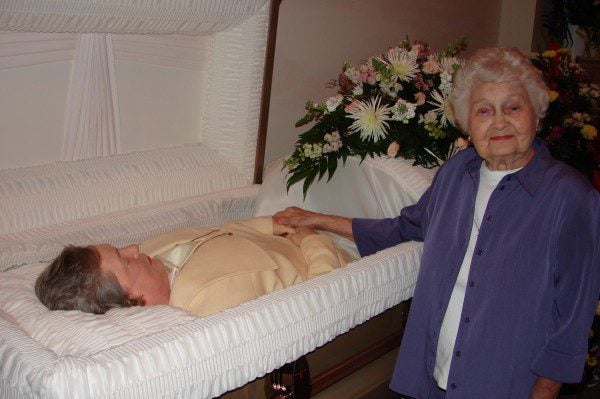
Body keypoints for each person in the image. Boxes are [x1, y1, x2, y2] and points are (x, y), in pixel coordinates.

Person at [274, 47, 600, 398]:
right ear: (467, 123)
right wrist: (318, 220)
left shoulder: (570, 196)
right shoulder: (456, 174)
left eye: (514, 107)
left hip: (507, 381)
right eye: (484, 111)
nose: (500, 121)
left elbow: (574, 311)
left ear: (537, 116)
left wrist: (545, 390)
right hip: (435, 372)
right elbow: (405, 227)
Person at [35, 216, 349, 317]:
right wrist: (312, 239)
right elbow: (321, 297)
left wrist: (273, 223)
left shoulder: (152, 257)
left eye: (120, 249)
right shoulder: (209, 302)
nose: (133, 248)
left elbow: (219, 232)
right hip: (339, 260)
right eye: (124, 259)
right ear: (131, 300)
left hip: (291, 231)